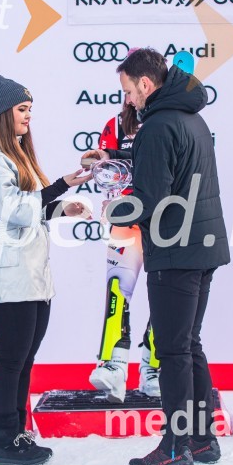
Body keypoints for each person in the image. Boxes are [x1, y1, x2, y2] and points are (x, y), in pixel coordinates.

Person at [85, 48, 230, 465]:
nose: (127, 100)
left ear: (146, 84)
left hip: (176, 250)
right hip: (203, 246)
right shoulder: (193, 118)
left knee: (171, 351)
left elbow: (151, 198)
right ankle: (202, 440)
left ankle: (175, 446)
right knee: (189, 344)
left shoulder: (157, 126)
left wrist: (109, 210)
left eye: (129, 90)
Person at [0, 74, 92, 465]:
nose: (28, 118)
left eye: (30, 110)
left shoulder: (11, 150)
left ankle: (18, 432)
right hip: (8, 272)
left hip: (30, 271)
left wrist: (60, 207)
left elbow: (29, 208)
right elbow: (15, 209)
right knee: (11, 359)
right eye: (22, 110)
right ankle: (4, 440)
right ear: (4, 112)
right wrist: (62, 186)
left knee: (24, 357)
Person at [88, 102, 160, 403]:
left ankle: (154, 369)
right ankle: (114, 366)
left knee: (164, 296)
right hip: (125, 220)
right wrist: (101, 164)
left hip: (162, 221)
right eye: (126, 89)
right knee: (117, 290)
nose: (131, 96)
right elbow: (105, 171)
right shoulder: (116, 125)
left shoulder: (167, 121)